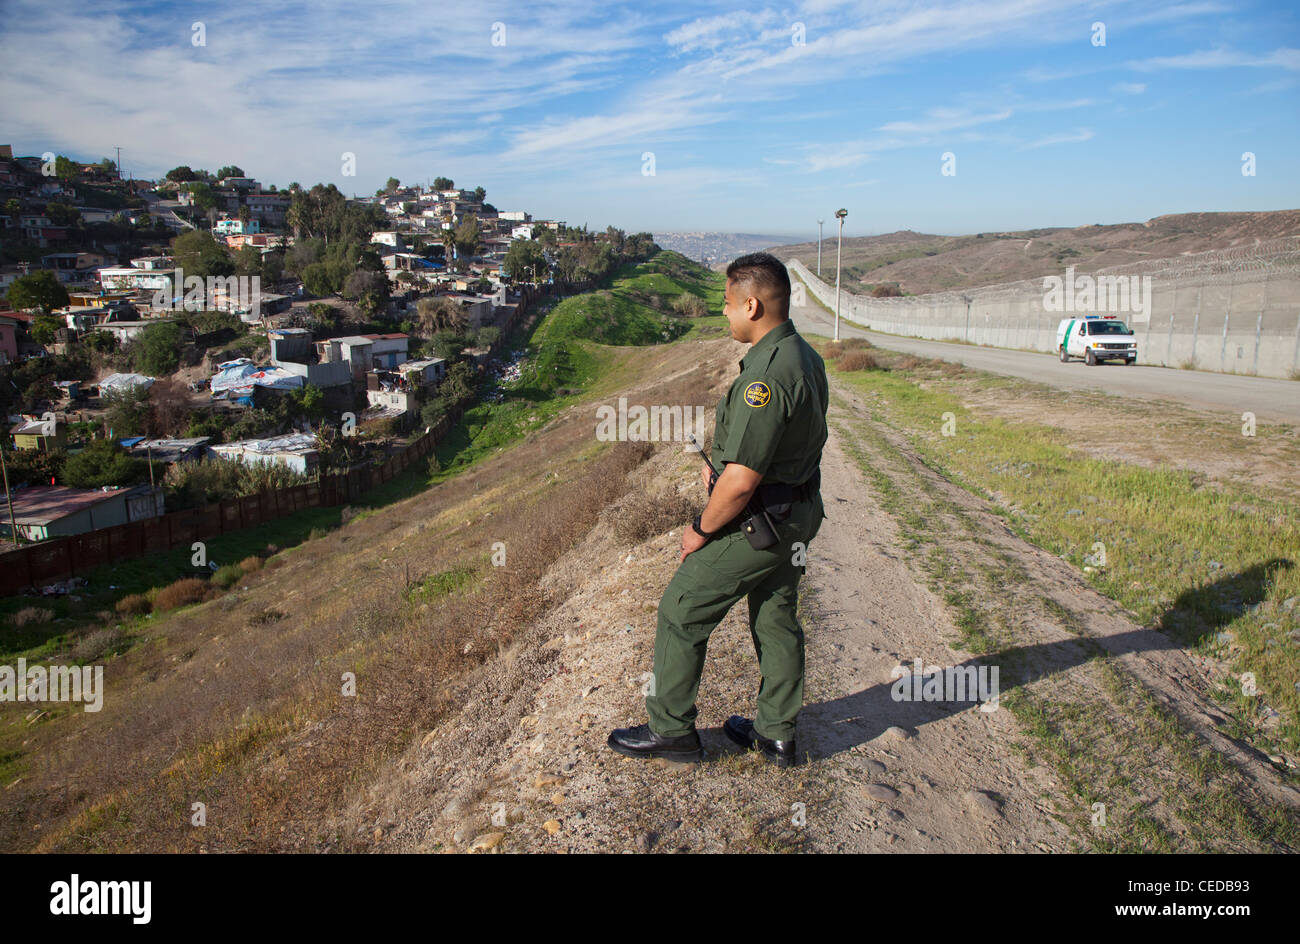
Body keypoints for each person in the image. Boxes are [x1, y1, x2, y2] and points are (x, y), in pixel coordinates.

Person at [607, 251, 828, 767]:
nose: (724, 314)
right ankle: (776, 733)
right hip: (795, 512)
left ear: (751, 306)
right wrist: (729, 469)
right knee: (775, 616)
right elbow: (786, 447)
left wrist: (700, 530)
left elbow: (744, 480)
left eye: (727, 305)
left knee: (681, 610)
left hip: (762, 523)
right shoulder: (803, 355)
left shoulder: (766, 378)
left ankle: (671, 730)